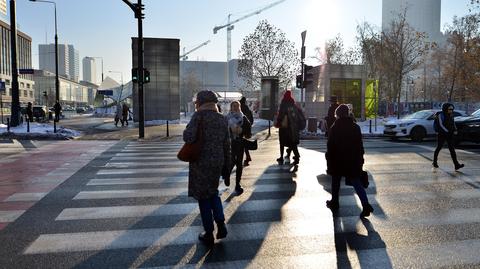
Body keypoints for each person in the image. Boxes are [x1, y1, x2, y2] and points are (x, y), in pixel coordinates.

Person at [183, 90, 230, 246]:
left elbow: (188, 137)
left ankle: (208, 232)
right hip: (217, 161)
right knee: (213, 192)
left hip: (201, 162)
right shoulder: (222, 119)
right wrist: (227, 166)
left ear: (201, 102)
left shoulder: (199, 117)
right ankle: (221, 224)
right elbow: (226, 144)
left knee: (203, 196)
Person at [325, 104, 373, 217]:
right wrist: (360, 160)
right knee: (357, 183)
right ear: (347, 114)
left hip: (338, 160)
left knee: (335, 182)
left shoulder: (335, 127)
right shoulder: (355, 127)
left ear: (337, 115)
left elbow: (330, 146)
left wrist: (329, 160)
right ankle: (366, 205)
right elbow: (360, 146)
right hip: (353, 160)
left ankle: (335, 202)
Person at [227, 100, 252, 194]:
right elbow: (224, 130)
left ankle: (237, 184)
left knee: (239, 164)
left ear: (239, 107)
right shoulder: (227, 118)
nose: (235, 107)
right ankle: (227, 176)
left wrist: (243, 130)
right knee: (232, 162)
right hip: (230, 143)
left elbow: (248, 129)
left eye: (237, 106)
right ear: (231, 107)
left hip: (240, 143)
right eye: (233, 106)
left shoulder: (243, 117)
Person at [275, 90, 304, 165]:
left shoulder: (283, 103)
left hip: (284, 127)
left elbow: (281, 115)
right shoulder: (293, 103)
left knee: (282, 142)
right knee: (292, 142)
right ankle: (294, 155)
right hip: (293, 127)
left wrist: (278, 122)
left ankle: (282, 156)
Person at [433, 103, 464, 170]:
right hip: (442, 134)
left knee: (452, 150)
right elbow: (441, 125)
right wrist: (447, 131)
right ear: (445, 108)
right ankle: (434, 162)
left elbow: (453, 123)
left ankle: (456, 165)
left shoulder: (451, 115)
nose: (451, 110)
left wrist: (455, 130)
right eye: (450, 109)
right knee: (439, 147)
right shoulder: (440, 115)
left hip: (449, 134)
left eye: (452, 109)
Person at [240, 96, 254, 166]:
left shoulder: (239, 107)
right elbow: (251, 119)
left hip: (240, 128)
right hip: (246, 128)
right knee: (244, 143)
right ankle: (247, 156)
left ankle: (246, 157)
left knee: (241, 143)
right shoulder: (247, 108)